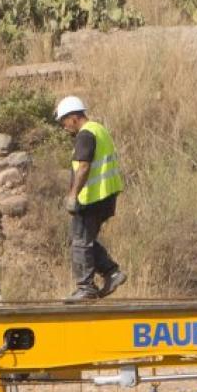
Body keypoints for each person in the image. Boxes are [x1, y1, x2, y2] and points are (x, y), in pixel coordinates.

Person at [56, 95, 125, 303]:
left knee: (80, 243)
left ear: (74, 117)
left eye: (64, 122)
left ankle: (86, 287)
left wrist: (72, 195)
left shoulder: (85, 134)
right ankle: (112, 273)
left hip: (92, 198)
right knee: (83, 240)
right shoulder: (99, 129)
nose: (64, 127)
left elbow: (84, 167)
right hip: (106, 196)